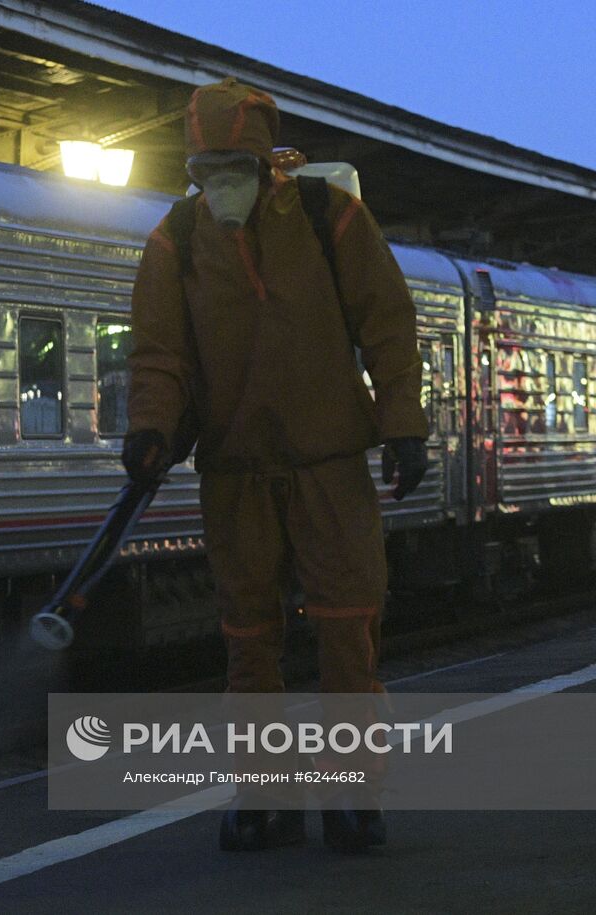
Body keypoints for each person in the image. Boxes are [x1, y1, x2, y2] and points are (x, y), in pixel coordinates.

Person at [121, 78, 429, 852]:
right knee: (248, 637)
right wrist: (150, 428)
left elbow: (386, 320)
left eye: (232, 165)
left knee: (346, 631)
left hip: (328, 460)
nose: (217, 181)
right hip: (236, 469)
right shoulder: (177, 239)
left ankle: (353, 794)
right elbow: (159, 352)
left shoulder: (330, 218)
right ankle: (265, 793)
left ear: (264, 162)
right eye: (204, 168)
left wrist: (403, 422)